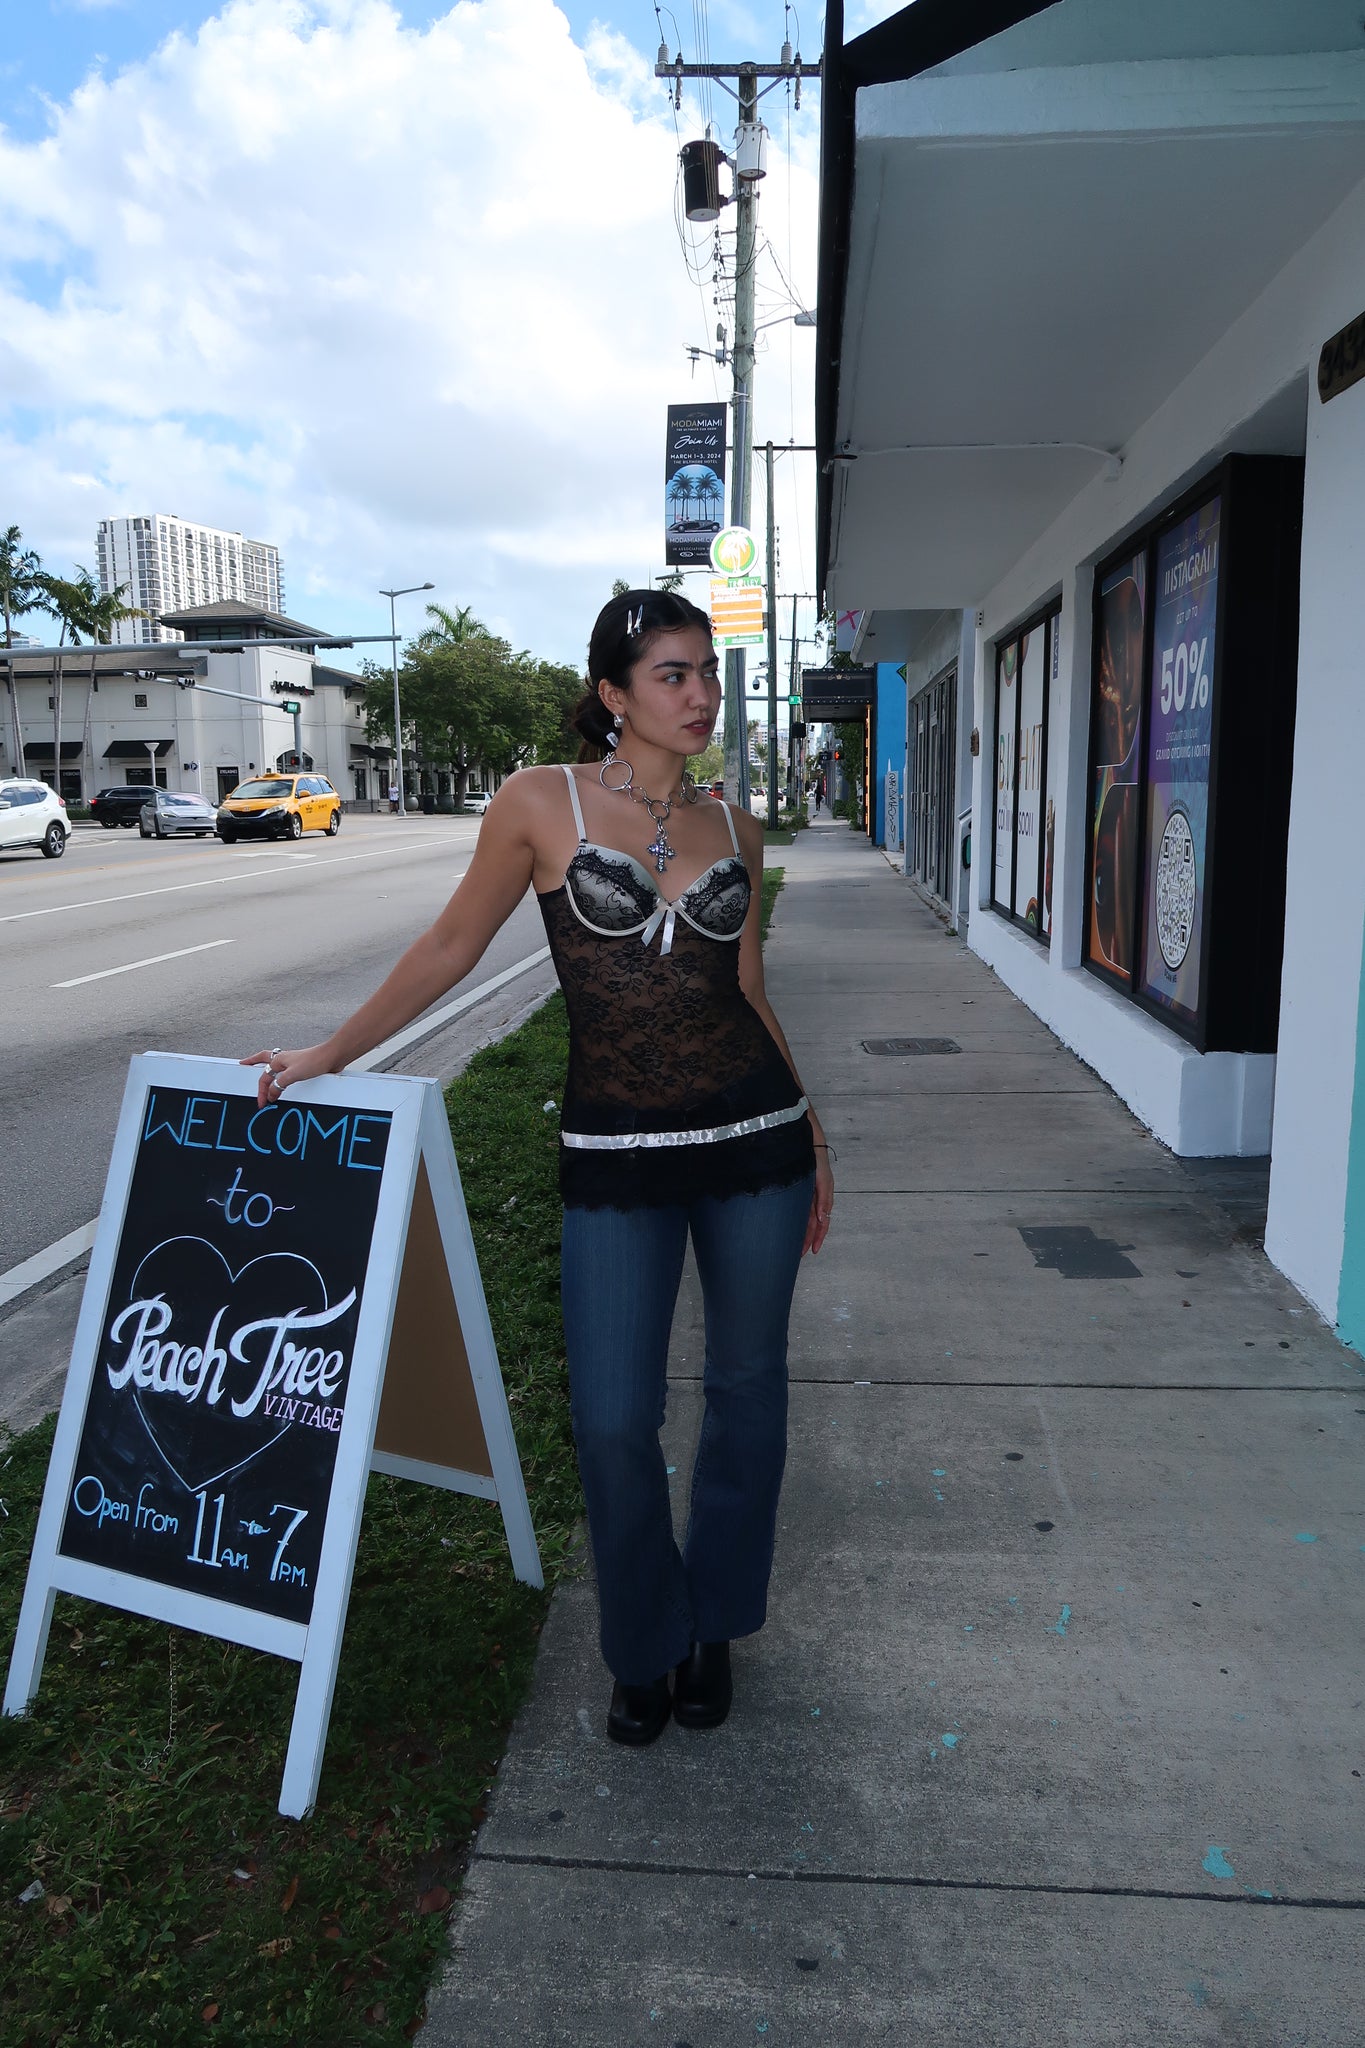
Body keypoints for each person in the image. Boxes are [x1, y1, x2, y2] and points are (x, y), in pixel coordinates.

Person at [246, 589, 834, 1747]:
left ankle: (713, 1619)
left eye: (706, 671)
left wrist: (811, 1131)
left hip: (752, 1141)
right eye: (673, 674)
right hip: (615, 1150)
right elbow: (450, 945)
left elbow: (750, 991)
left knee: (747, 1394)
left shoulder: (735, 827)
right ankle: (645, 1638)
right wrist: (326, 1054)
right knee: (614, 1417)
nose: (701, 692)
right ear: (615, 695)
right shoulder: (538, 803)